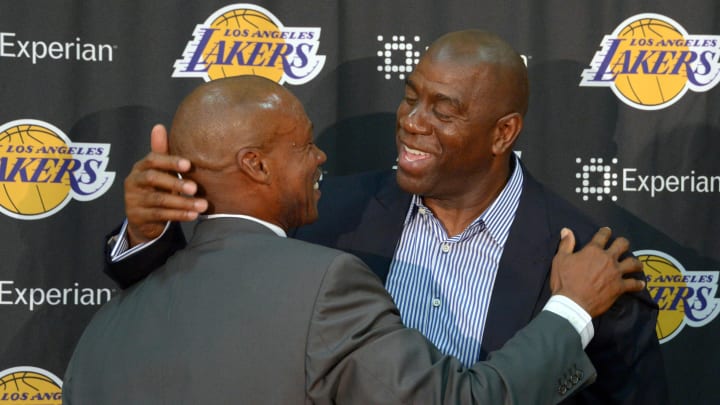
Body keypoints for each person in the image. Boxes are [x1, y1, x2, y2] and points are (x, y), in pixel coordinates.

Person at [104, 31, 667, 404]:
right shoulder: (322, 213)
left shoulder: (591, 265)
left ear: (503, 133)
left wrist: (571, 310)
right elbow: (199, 283)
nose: (412, 122)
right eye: (410, 98)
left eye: (442, 110)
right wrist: (145, 232)